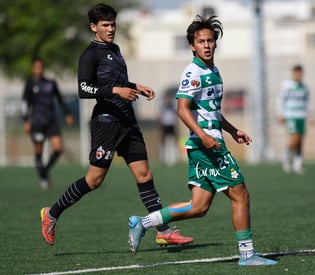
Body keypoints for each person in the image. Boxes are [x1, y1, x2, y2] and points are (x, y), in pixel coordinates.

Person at [127, 15, 277, 266]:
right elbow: (182, 108)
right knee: (241, 195)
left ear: (215, 43)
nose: (206, 45)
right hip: (206, 145)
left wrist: (231, 129)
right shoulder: (193, 72)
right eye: (201, 41)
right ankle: (247, 255)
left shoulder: (213, 71)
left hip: (207, 142)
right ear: (192, 45)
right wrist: (205, 136)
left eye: (210, 40)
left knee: (198, 207)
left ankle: (142, 223)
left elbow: (212, 112)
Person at [39, 3, 193, 248]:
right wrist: (116, 90)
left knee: (145, 174)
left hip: (127, 121)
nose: (111, 29)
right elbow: (83, 89)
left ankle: (162, 230)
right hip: (106, 123)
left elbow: (118, 82)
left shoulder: (116, 49)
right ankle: (52, 214)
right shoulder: (90, 54)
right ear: (94, 27)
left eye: (113, 25)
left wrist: (135, 86)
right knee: (94, 180)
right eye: (105, 25)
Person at [22, 57, 74, 190]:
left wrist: (67, 114)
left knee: (58, 148)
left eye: (40, 66)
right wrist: (26, 121)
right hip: (37, 122)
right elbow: (25, 104)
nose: (38, 69)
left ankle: (44, 170)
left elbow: (60, 99)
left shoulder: (51, 83)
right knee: (38, 153)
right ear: (33, 68)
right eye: (36, 67)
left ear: (43, 68)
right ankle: (44, 178)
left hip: (51, 121)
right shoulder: (29, 84)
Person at [277, 64, 310, 174]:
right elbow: (280, 100)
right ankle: (286, 158)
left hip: (301, 116)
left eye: (300, 73)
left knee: (300, 141)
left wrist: (311, 116)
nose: (298, 75)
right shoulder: (287, 85)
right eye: (296, 73)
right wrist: (280, 114)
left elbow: (307, 103)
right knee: (294, 139)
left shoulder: (304, 87)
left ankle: (297, 164)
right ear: (293, 73)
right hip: (291, 115)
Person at [159, 92, 179, 166]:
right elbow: (160, 117)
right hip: (165, 126)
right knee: (163, 142)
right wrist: (160, 127)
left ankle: (174, 158)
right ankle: (163, 158)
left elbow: (176, 117)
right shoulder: (163, 107)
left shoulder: (173, 107)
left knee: (174, 142)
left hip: (172, 125)